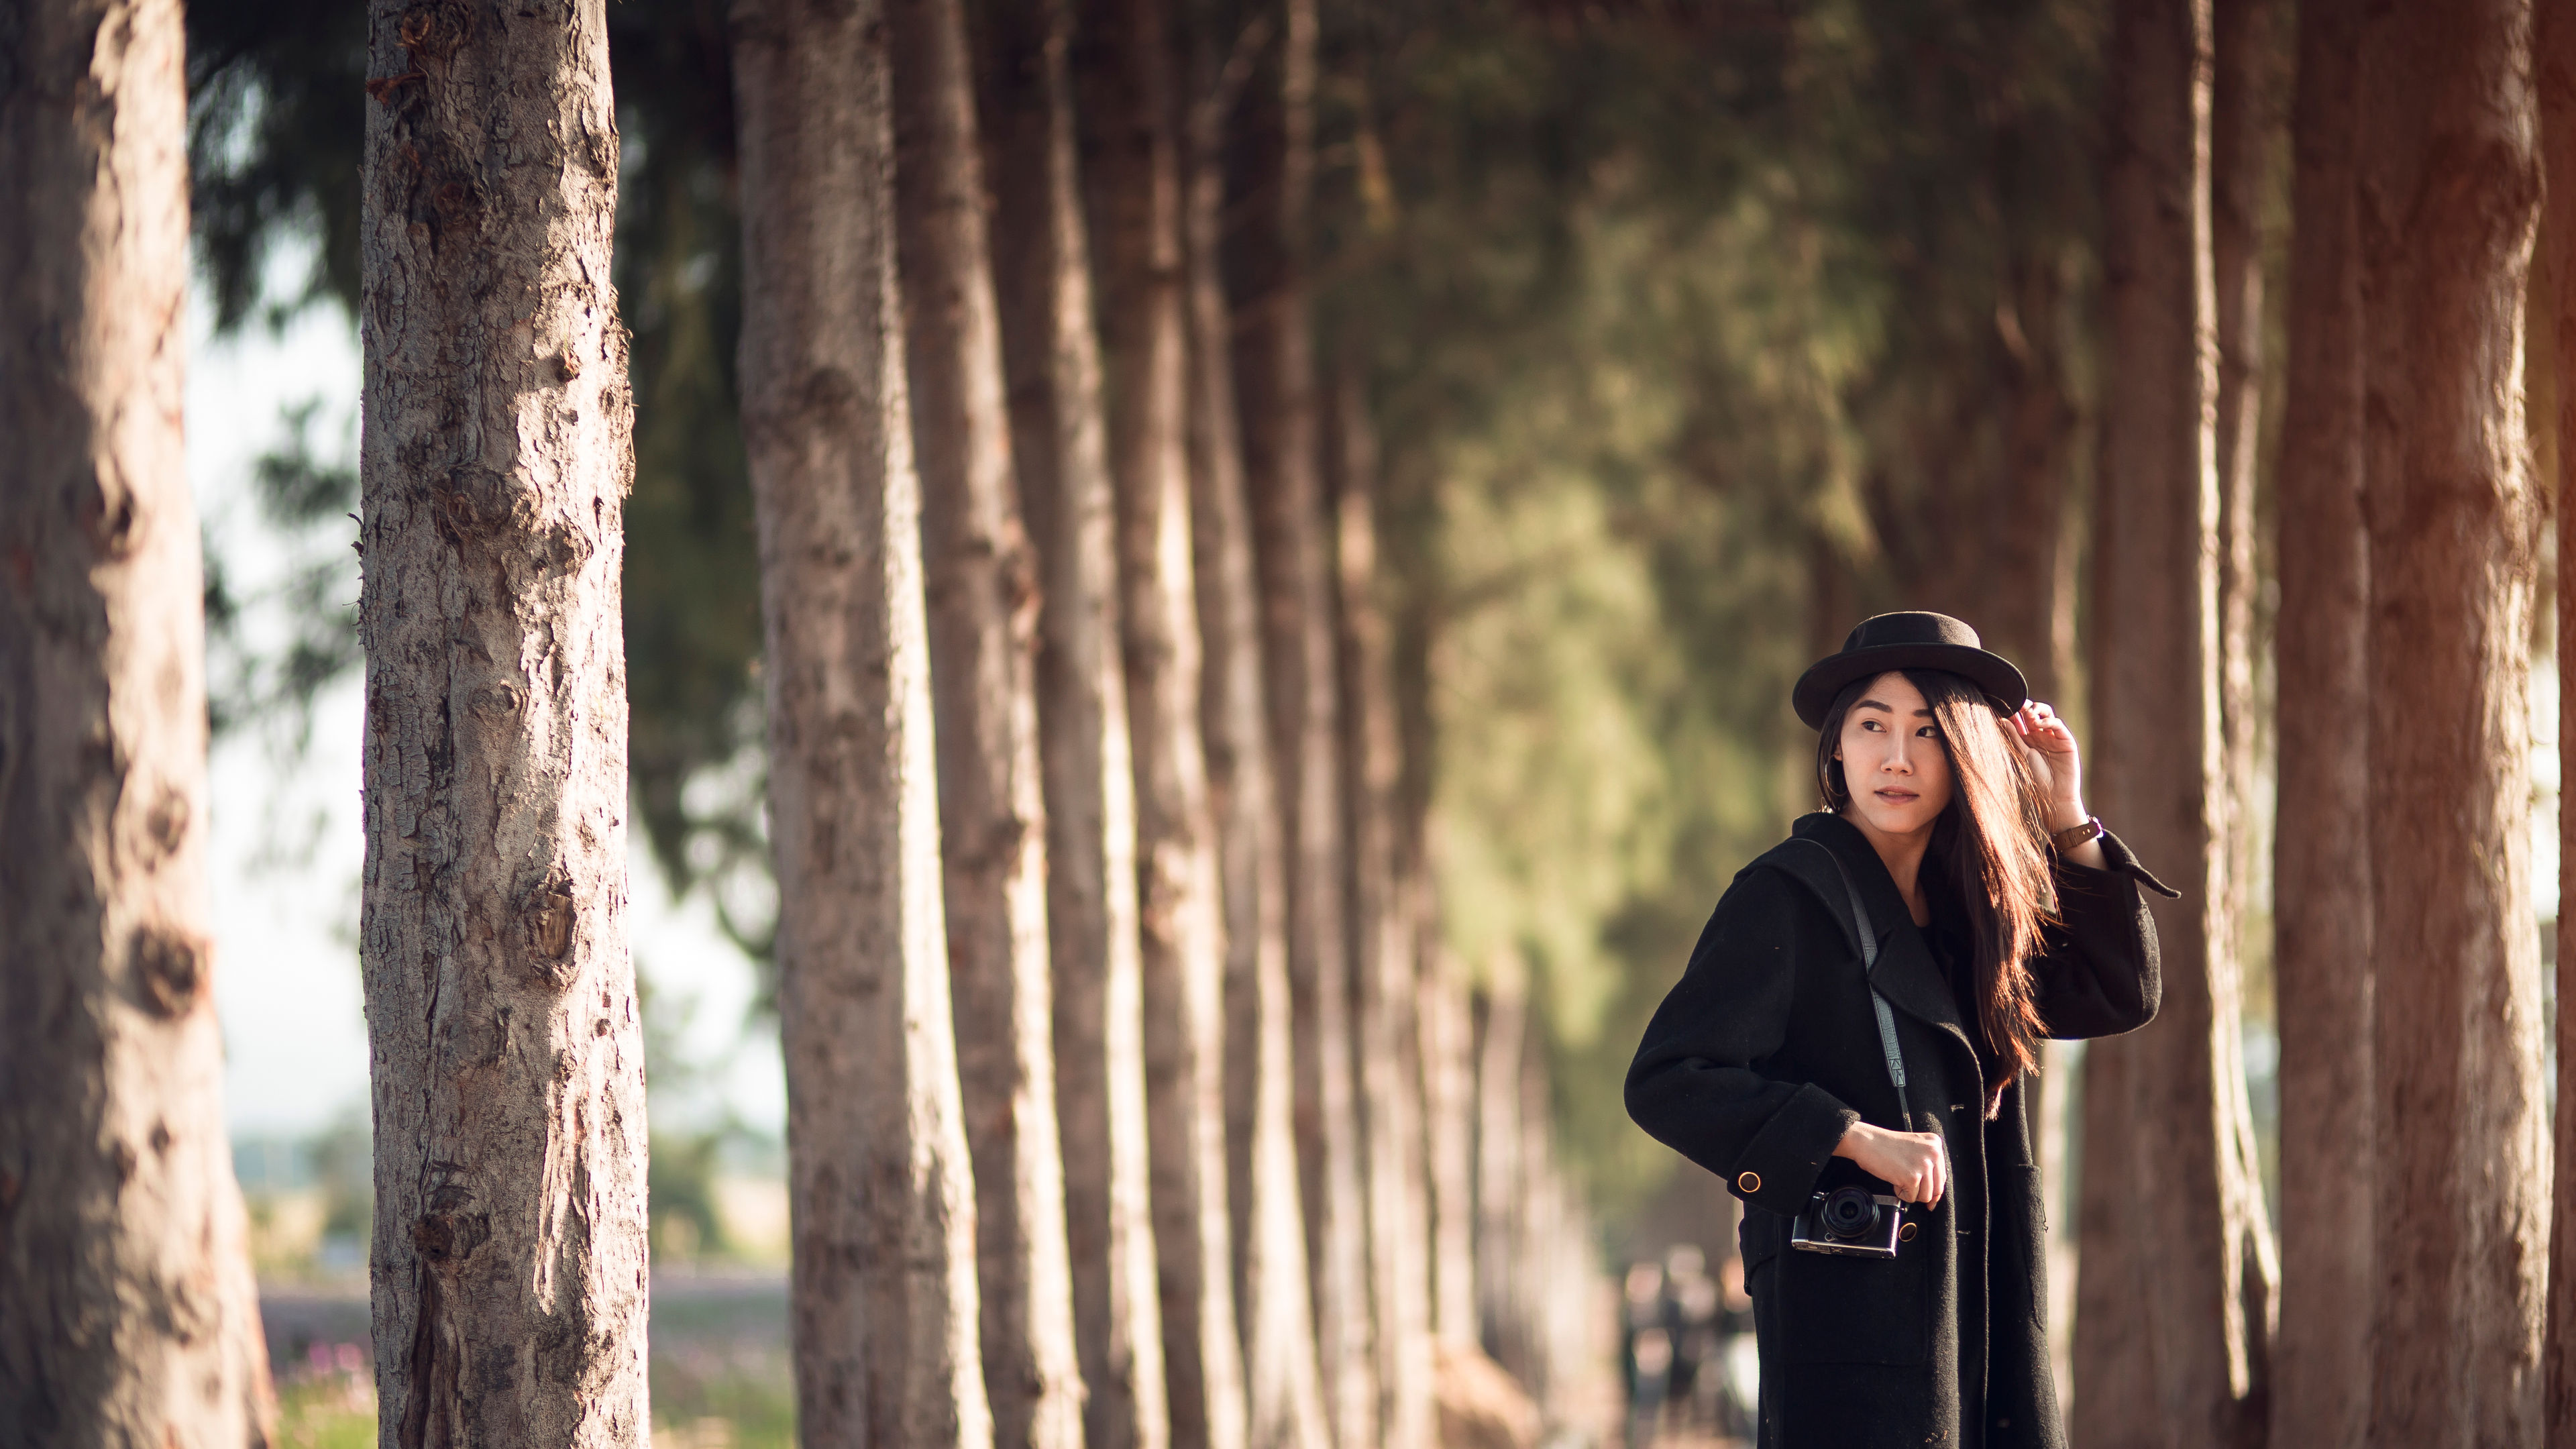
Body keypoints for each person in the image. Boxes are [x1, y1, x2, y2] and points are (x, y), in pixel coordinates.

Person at [1624, 611, 2174, 1449]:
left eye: (1927, 732)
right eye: (1872, 726)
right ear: (1836, 749)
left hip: (1981, 1302)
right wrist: (1849, 1137)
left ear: (1965, 755)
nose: (1897, 758)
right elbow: (1669, 1078)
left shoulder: (1976, 912)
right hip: (1849, 1320)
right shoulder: (1786, 895)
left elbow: (2118, 991)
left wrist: (2067, 812)